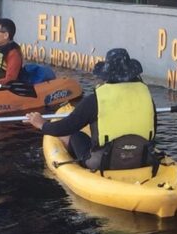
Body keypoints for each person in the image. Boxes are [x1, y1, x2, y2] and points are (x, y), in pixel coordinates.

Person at [25, 48, 157, 170]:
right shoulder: (146, 96)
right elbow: (153, 128)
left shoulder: (95, 100)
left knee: (76, 135)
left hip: (105, 163)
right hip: (144, 158)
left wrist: (42, 124)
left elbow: (65, 127)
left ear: (106, 75)